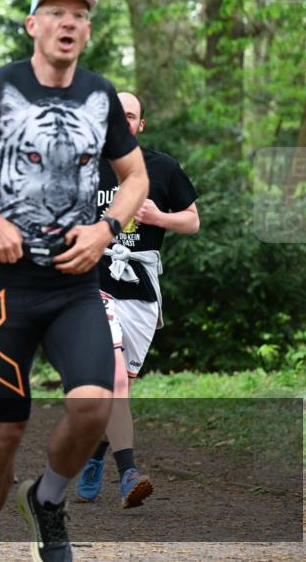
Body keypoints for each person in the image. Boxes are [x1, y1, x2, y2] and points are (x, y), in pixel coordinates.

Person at [0, 0, 149, 562]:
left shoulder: (101, 95)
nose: (68, 22)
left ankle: (47, 499)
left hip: (75, 288)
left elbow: (136, 177)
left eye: (79, 15)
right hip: (5, 291)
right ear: (34, 25)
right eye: (56, 12)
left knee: (94, 407)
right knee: (6, 428)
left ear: (87, 31)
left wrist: (106, 228)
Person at [75, 91, 200, 508]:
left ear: (140, 125)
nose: (122, 121)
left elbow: (193, 220)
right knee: (114, 383)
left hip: (141, 291)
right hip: (95, 286)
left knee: (119, 387)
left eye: (130, 116)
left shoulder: (162, 167)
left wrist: (158, 218)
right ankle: (128, 473)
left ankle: (94, 455)